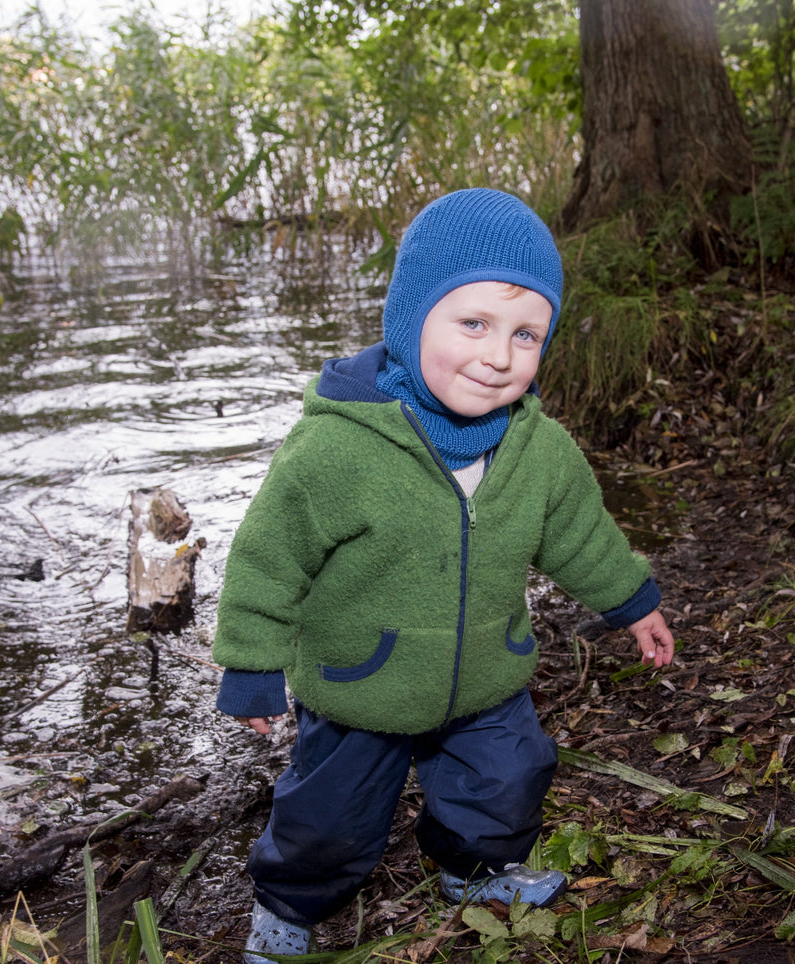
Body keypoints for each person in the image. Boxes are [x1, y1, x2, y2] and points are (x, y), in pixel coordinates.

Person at [212, 187, 675, 963]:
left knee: (508, 779)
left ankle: (475, 871)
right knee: (328, 815)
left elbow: (579, 535)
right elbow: (268, 558)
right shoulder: (336, 449)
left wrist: (632, 600)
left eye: (527, 334)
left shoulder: (538, 449)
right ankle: (289, 905)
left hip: (485, 673)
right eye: (473, 323)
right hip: (362, 681)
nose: (499, 356)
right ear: (408, 317)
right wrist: (251, 665)